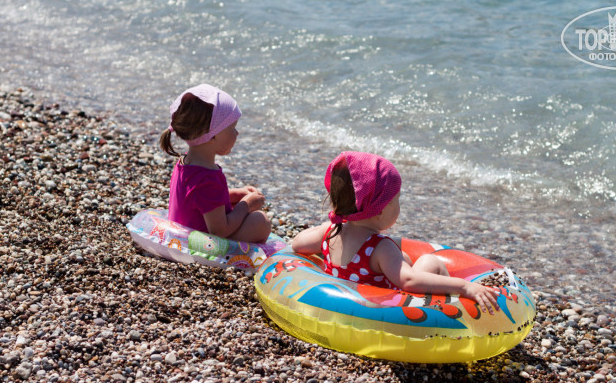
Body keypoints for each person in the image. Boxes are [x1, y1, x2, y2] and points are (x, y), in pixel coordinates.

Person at [291, 151, 498, 312]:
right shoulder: (380, 248)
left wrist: (326, 225)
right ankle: (450, 308)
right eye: (396, 200)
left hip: (346, 301)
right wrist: (463, 286)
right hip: (385, 309)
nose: (399, 205)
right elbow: (409, 281)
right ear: (379, 210)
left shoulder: (330, 232)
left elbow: (297, 244)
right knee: (430, 261)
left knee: (403, 258)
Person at [159, 84, 271, 243]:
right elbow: (219, 230)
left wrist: (236, 194)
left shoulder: (186, 162)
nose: (237, 133)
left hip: (189, 228)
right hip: (200, 242)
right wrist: (246, 204)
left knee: (243, 211)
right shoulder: (206, 178)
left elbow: (200, 199)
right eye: (232, 128)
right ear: (213, 135)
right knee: (260, 222)